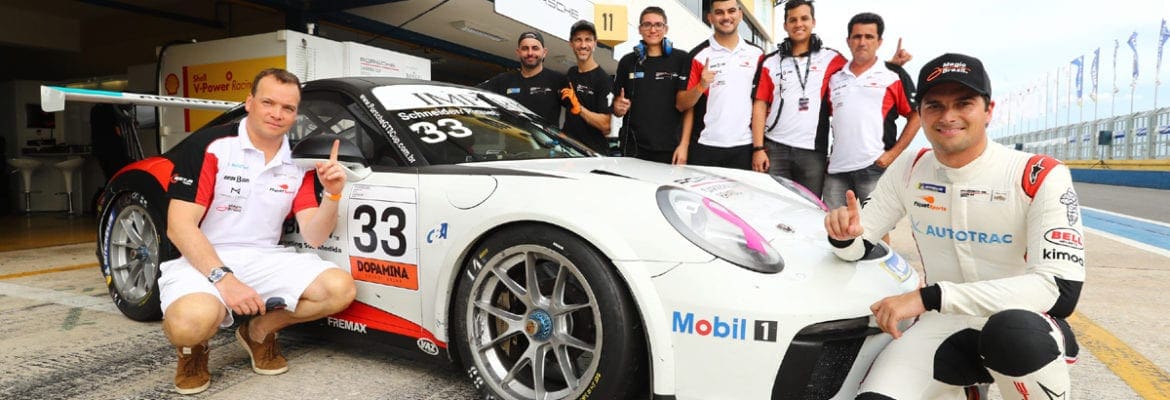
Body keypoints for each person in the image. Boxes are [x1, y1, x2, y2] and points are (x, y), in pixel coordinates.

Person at [825, 53, 1084, 399]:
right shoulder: (911, 167)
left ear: (989, 110)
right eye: (934, 106)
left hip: (1023, 327)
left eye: (964, 103)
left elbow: (1059, 291)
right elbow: (860, 242)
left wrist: (929, 296)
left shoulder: (1039, 174)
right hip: (941, 322)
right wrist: (842, 235)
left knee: (1012, 332)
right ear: (920, 114)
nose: (948, 117)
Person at [160, 68, 356, 395]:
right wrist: (226, 279)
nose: (277, 114)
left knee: (339, 289)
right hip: (202, 257)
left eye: (288, 108)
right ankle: (193, 350)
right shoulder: (209, 145)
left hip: (264, 257)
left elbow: (316, 235)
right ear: (249, 102)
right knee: (189, 324)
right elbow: (178, 227)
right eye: (268, 102)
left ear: (295, 114)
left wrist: (333, 194)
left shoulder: (300, 158)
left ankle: (259, 332)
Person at [752, 1, 912, 194]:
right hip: (774, 148)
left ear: (813, 22)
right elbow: (760, 105)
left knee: (810, 209)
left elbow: (859, 70)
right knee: (772, 203)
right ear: (785, 25)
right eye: (792, 20)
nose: (798, 24)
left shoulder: (831, 58)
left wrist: (890, 65)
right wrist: (758, 148)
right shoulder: (771, 61)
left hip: (812, 153)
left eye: (804, 18)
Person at [822, 12, 920, 210]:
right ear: (848, 41)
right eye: (857, 37)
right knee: (835, 229)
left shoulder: (893, 75)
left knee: (875, 230)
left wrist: (892, 155)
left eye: (869, 37)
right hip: (837, 170)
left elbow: (916, 116)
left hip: (875, 166)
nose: (862, 42)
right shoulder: (835, 78)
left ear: (879, 41)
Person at [675, 0, 763, 169]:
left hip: (744, 147)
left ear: (740, 15)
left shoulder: (757, 55)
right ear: (710, 18)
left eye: (731, 11)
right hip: (705, 146)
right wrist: (701, 86)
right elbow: (681, 104)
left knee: (742, 196)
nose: (726, 17)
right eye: (719, 12)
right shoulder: (698, 55)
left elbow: (763, 104)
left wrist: (760, 148)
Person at [612, 7, 692, 164]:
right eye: (647, 24)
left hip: (671, 150)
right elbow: (616, 107)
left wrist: (684, 145)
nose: (652, 29)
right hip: (633, 149)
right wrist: (617, 107)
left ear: (666, 28)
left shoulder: (682, 59)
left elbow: (689, 107)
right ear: (640, 29)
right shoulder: (627, 62)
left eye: (658, 25)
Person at [479, 31, 566, 125]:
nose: (530, 53)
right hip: (513, 139)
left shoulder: (557, 80)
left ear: (544, 52)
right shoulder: (504, 80)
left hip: (545, 139)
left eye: (535, 48)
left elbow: (576, 113)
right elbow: (473, 95)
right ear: (518, 52)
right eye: (525, 48)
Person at [560, 20, 614, 154]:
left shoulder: (604, 80)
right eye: (578, 40)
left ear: (595, 43)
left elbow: (606, 125)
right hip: (569, 151)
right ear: (571, 43)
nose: (583, 45)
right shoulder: (571, 73)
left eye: (588, 40)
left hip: (592, 155)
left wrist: (580, 109)